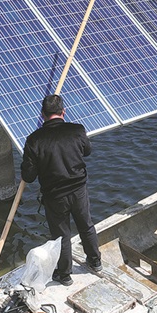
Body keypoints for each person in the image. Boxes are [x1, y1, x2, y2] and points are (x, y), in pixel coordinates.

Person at [20, 94, 101, 286]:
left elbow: (28, 176)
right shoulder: (77, 130)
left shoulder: (34, 140)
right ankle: (95, 261)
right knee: (86, 225)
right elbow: (87, 151)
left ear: (42, 114)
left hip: (54, 195)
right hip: (79, 189)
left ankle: (64, 275)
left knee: (61, 235)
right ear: (63, 112)